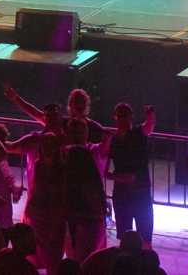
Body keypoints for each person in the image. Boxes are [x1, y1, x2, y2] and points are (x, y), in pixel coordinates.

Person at [107, 102, 155, 246]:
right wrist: (120, 178)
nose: (123, 119)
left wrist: (150, 114)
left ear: (131, 117)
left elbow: (149, 126)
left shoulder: (138, 133)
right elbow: (104, 171)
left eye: (125, 116)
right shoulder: (113, 140)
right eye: (120, 116)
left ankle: (145, 258)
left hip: (140, 192)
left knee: (145, 237)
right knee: (125, 237)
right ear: (115, 118)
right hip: (123, 194)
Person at [25, 132, 67, 272]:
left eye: (51, 145)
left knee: (53, 253)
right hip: (38, 214)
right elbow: (35, 188)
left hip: (54, 215)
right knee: (37, 252)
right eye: (45, 144)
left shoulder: (62, 168)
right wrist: (28, 208)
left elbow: (62, 195)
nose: (47, 148)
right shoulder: (38, 164)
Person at [64, 144, 107, 263]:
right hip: (85, 227)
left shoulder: (85, 185)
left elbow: (92, 212)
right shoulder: (90, 181)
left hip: (85, 227)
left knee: (82, 262)